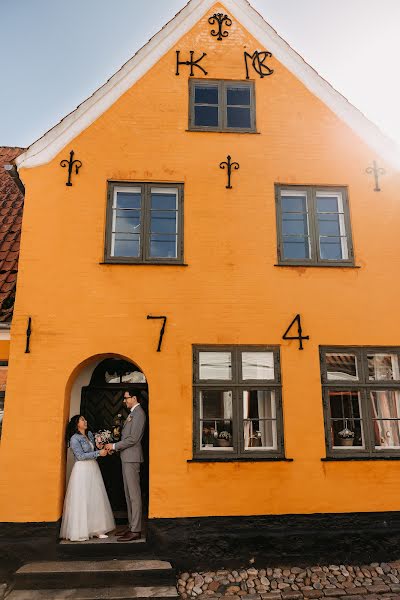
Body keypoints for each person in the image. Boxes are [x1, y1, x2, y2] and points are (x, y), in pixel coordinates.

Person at [60, 415, 115, 542]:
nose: (85, 421)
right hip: (82, 470)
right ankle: (80, 531)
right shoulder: (74, 438)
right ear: (76, 423)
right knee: (82, 498)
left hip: (93, 468)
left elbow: (94, 452)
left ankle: (97, 529)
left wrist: (101, 449)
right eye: (82, 420)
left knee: (95, 497)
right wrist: (97, 453)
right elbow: (80, 456)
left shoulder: (89, 435)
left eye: (85, 419)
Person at [105, 390, 146, 542]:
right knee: (129, 495)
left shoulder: (139, 413)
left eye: (126, 398)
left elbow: (133, 439)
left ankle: (136, 530)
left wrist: (114, 446)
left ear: (134, 398)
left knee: (134, 495)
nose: (124, 401)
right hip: (126, 457)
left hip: (132, 458)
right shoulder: (132, 414)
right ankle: (131, 526)